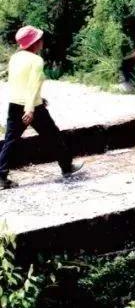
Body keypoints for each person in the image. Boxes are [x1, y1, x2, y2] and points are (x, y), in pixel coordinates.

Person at [0, 26, 82, 189]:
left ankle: (1, 176)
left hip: (15, 104)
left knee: (10, 141)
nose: (42, 41)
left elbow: (19, 83)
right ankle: (66, 167)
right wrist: (30, 108)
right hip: (32, 107)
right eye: (40, 39)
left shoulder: (15, 58)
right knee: (54, 136)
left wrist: (38, 99)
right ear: (34, 42)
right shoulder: (36, 61)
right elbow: (32, 85)